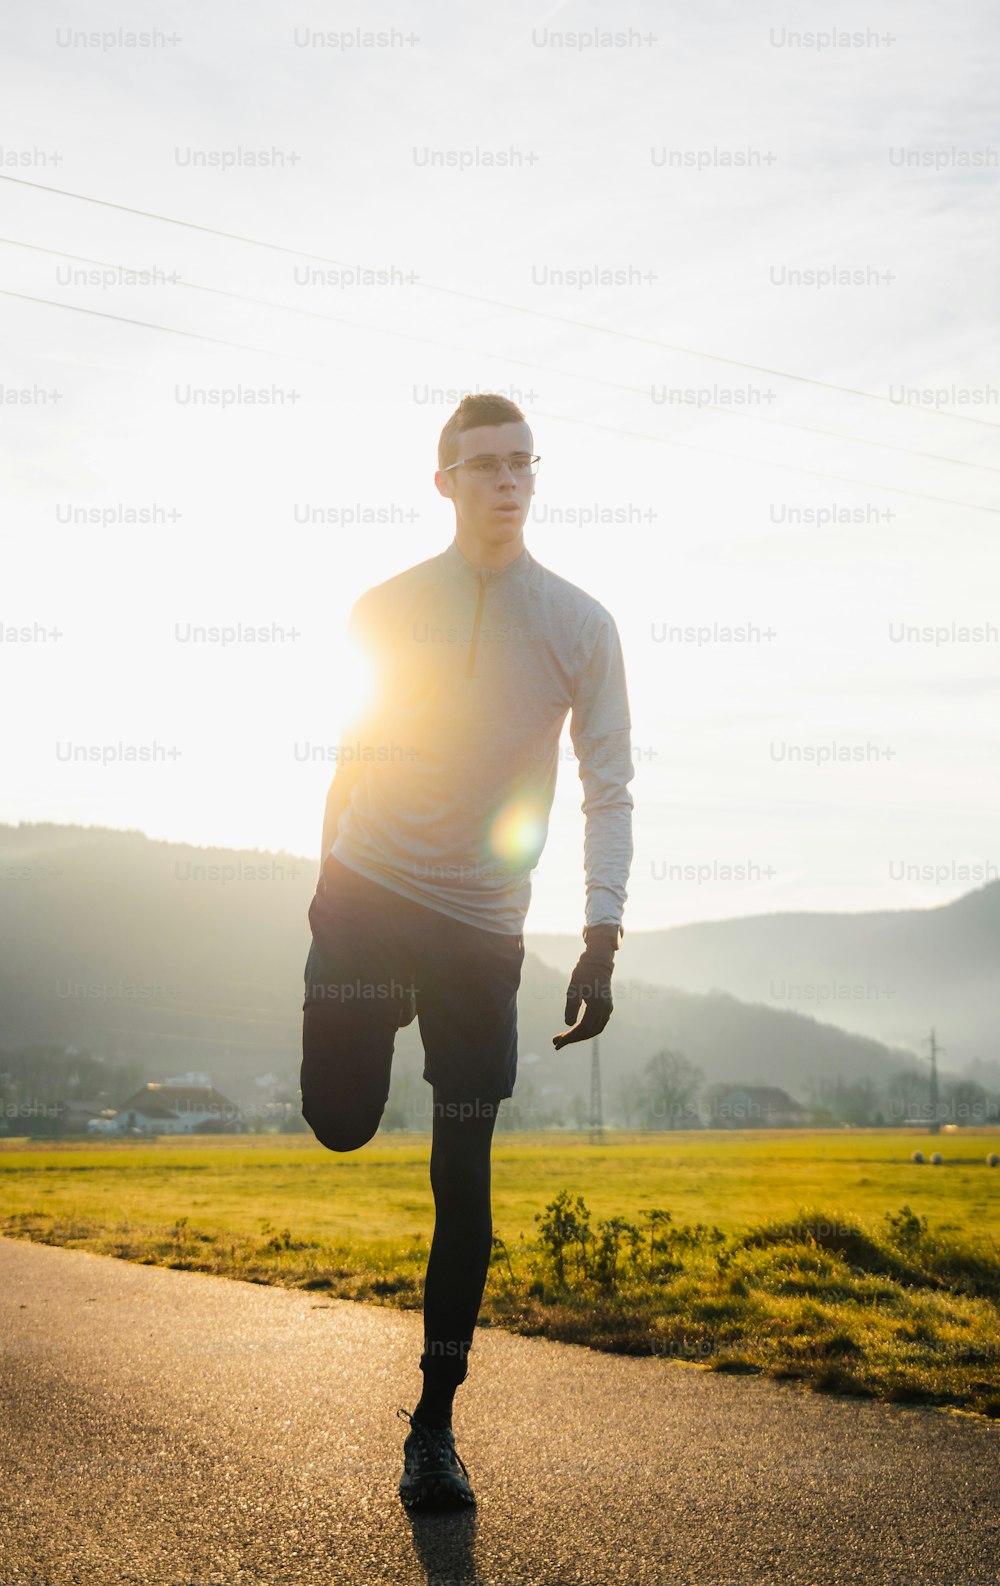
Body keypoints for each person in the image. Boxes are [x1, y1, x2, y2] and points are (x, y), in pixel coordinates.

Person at [300, 392, 634, 1510]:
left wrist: (599, 932)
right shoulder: (385, 606)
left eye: (522, 463)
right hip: (367, 892)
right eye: (483, 464)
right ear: (443, 481)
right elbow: (347, 758)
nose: (506, 480)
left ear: (535, 477)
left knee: (464, 1171)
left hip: (482, 928)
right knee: (341, 1120)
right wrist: (322, 899)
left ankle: (433, 1426)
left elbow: (609, 786)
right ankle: (368, 998)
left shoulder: (580, 622)